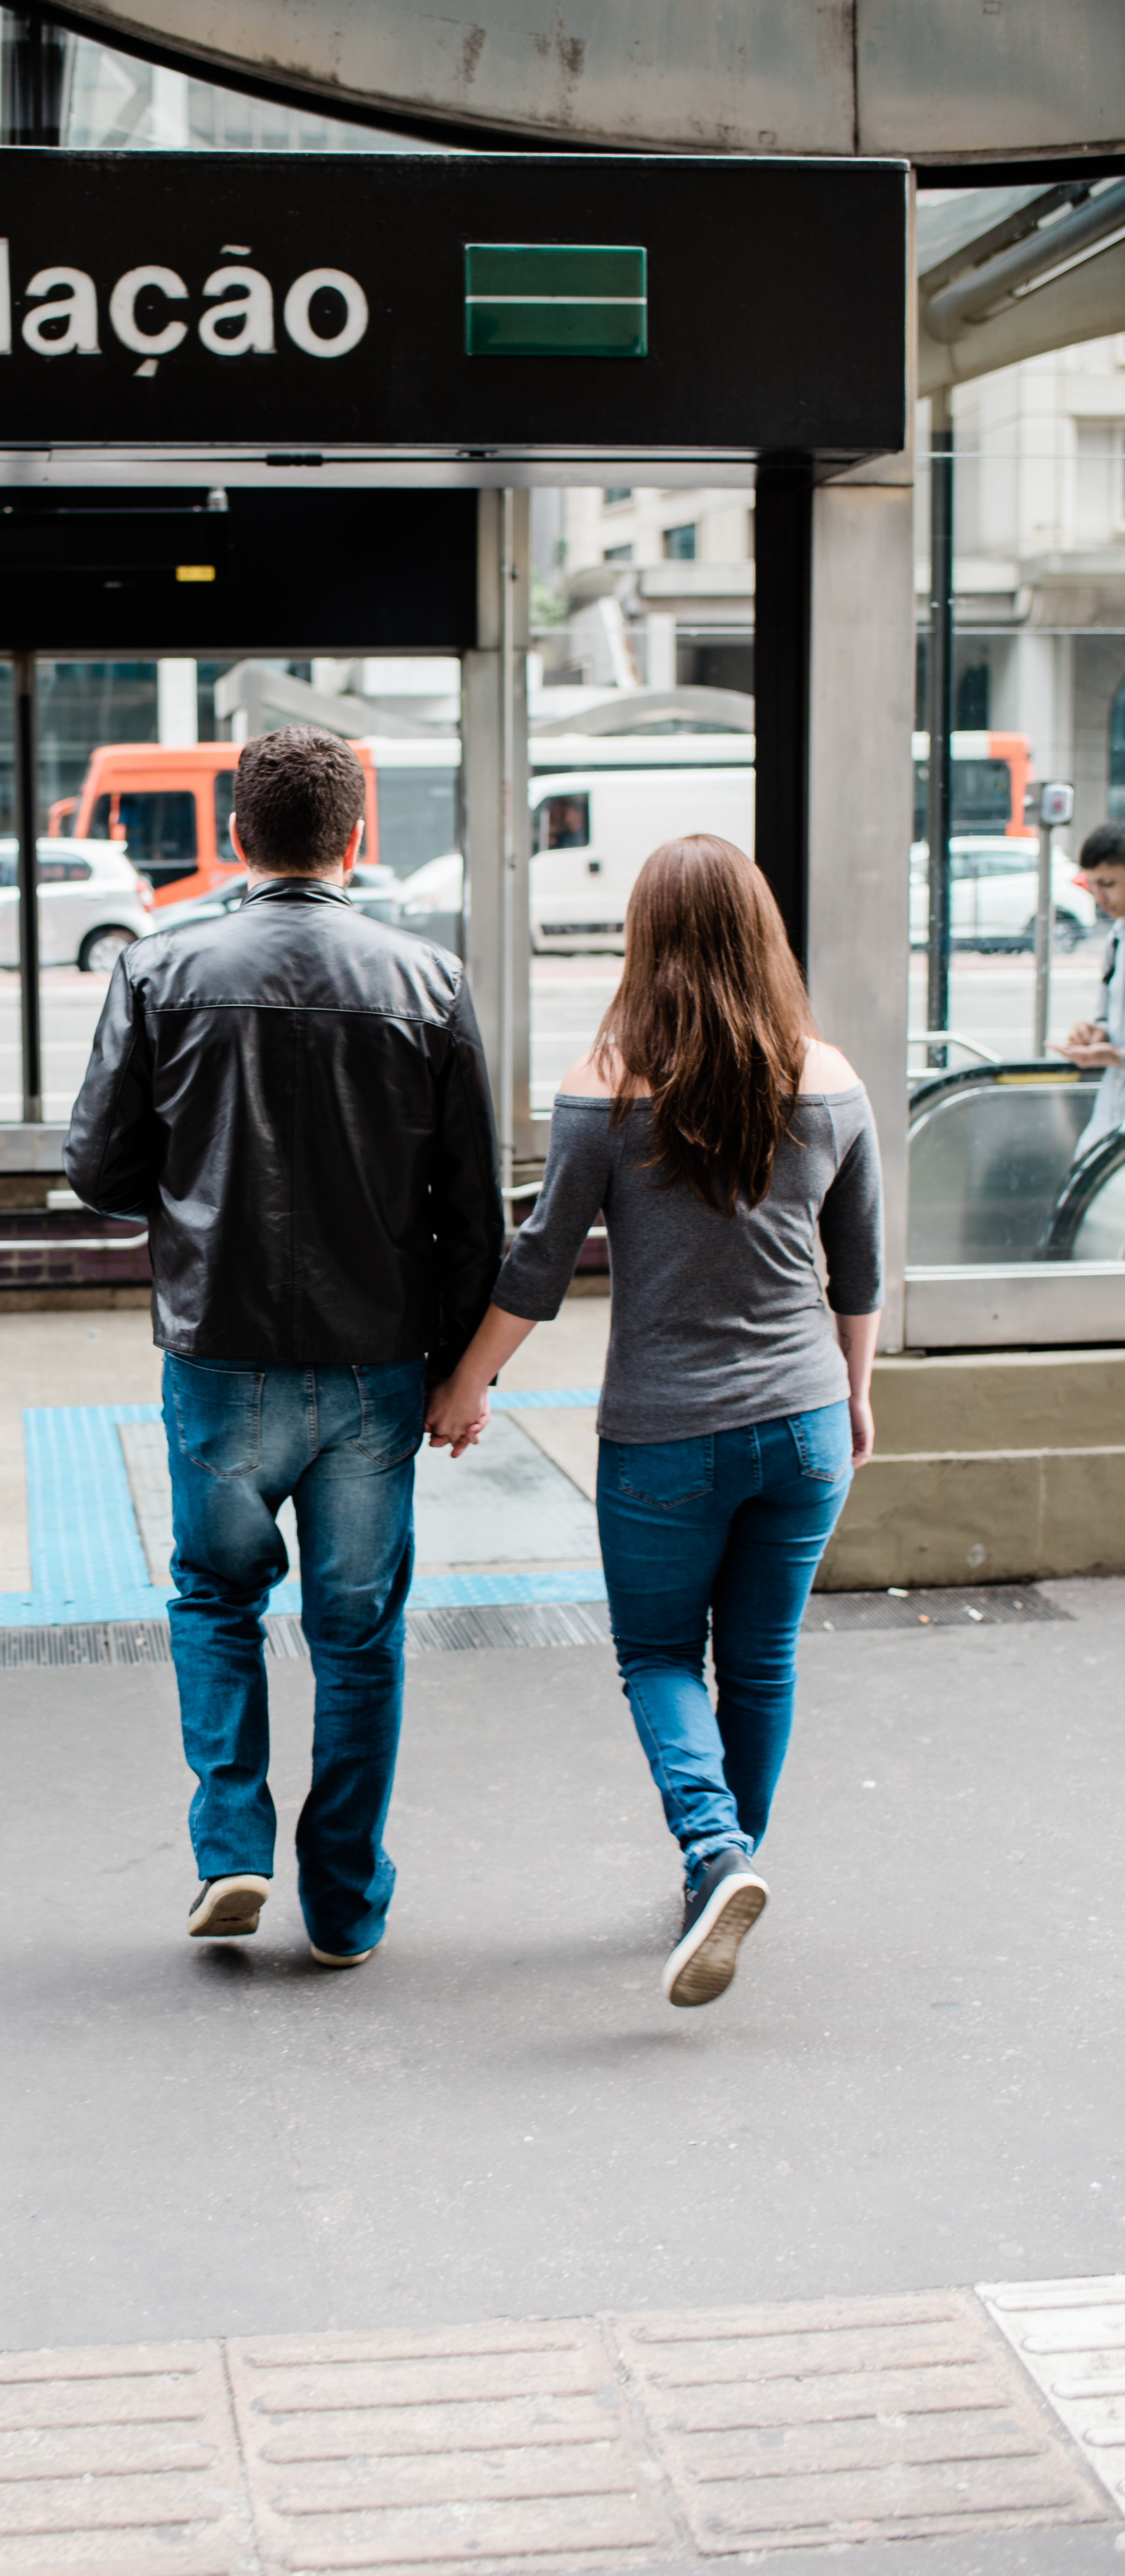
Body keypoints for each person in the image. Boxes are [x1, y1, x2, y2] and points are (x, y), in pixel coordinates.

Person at [64, 727, 503, 1966]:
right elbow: (476, 1207)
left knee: (216, 1596)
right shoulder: (429, 979)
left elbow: (99, 1164)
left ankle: (232, 1852)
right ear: (356, 834)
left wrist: (196, 1178)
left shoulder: (160, 967)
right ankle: (347, 1900)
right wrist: (455, 1367)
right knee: (357, 1630)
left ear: (233, 835)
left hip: (219, 1348)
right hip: (377, 1362)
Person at [426, 836, 883, 2009]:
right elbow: (860, 1271)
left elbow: (538, 1266)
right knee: (764, 1660)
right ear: (761, 936)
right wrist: (857, 1394)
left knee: (660, 1657)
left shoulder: (606, 1084)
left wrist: (467, 1383)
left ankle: (715, 1854)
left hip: (664, 1434)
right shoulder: (831, 1080)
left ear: (646, 941)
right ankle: (721, 1872)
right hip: (804, 1425)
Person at [1052, 821, 1125, 1158]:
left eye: (1108, 884)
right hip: (1111, 1113)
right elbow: (1110, 1020)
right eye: (1093, 885)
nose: (1099, 898)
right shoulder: (1115, 940)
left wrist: (1116, 1057)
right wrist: (1094, 1034)